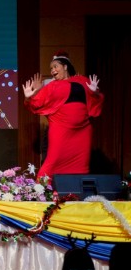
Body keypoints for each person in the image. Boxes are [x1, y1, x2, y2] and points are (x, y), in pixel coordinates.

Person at [22, 50, 104, 182]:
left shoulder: (82, 81)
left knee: (81, 166)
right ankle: (40, 190)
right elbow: (36, 103)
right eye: (51, 68)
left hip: (82, 131)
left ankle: (76, 192)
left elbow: (96, 102)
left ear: (65, 66)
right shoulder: (51, 86)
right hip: (61, 130)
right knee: (51, 163)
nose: (53, 70)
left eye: (55, 66)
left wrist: (95, 93)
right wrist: (29, 97)